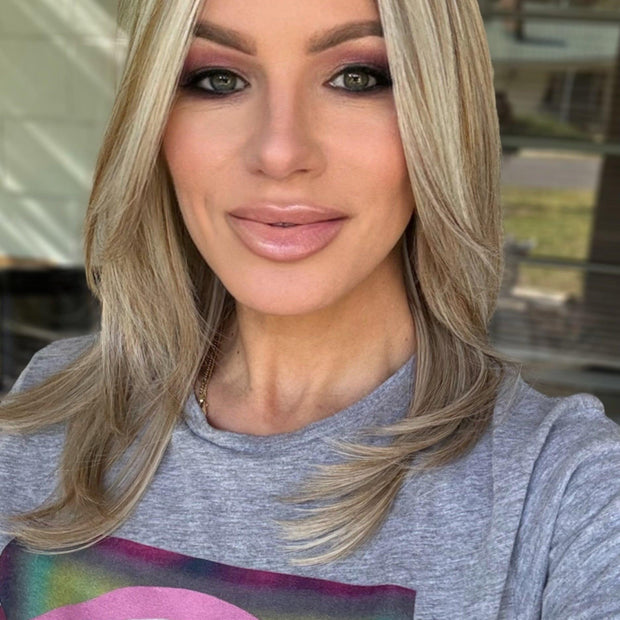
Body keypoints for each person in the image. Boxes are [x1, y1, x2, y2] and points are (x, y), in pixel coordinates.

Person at [0, 0, 618, 617]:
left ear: (443, 116)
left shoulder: (568, 494)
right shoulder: (54, 403)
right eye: (219, 79)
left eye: (358, 77)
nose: (278, 151)